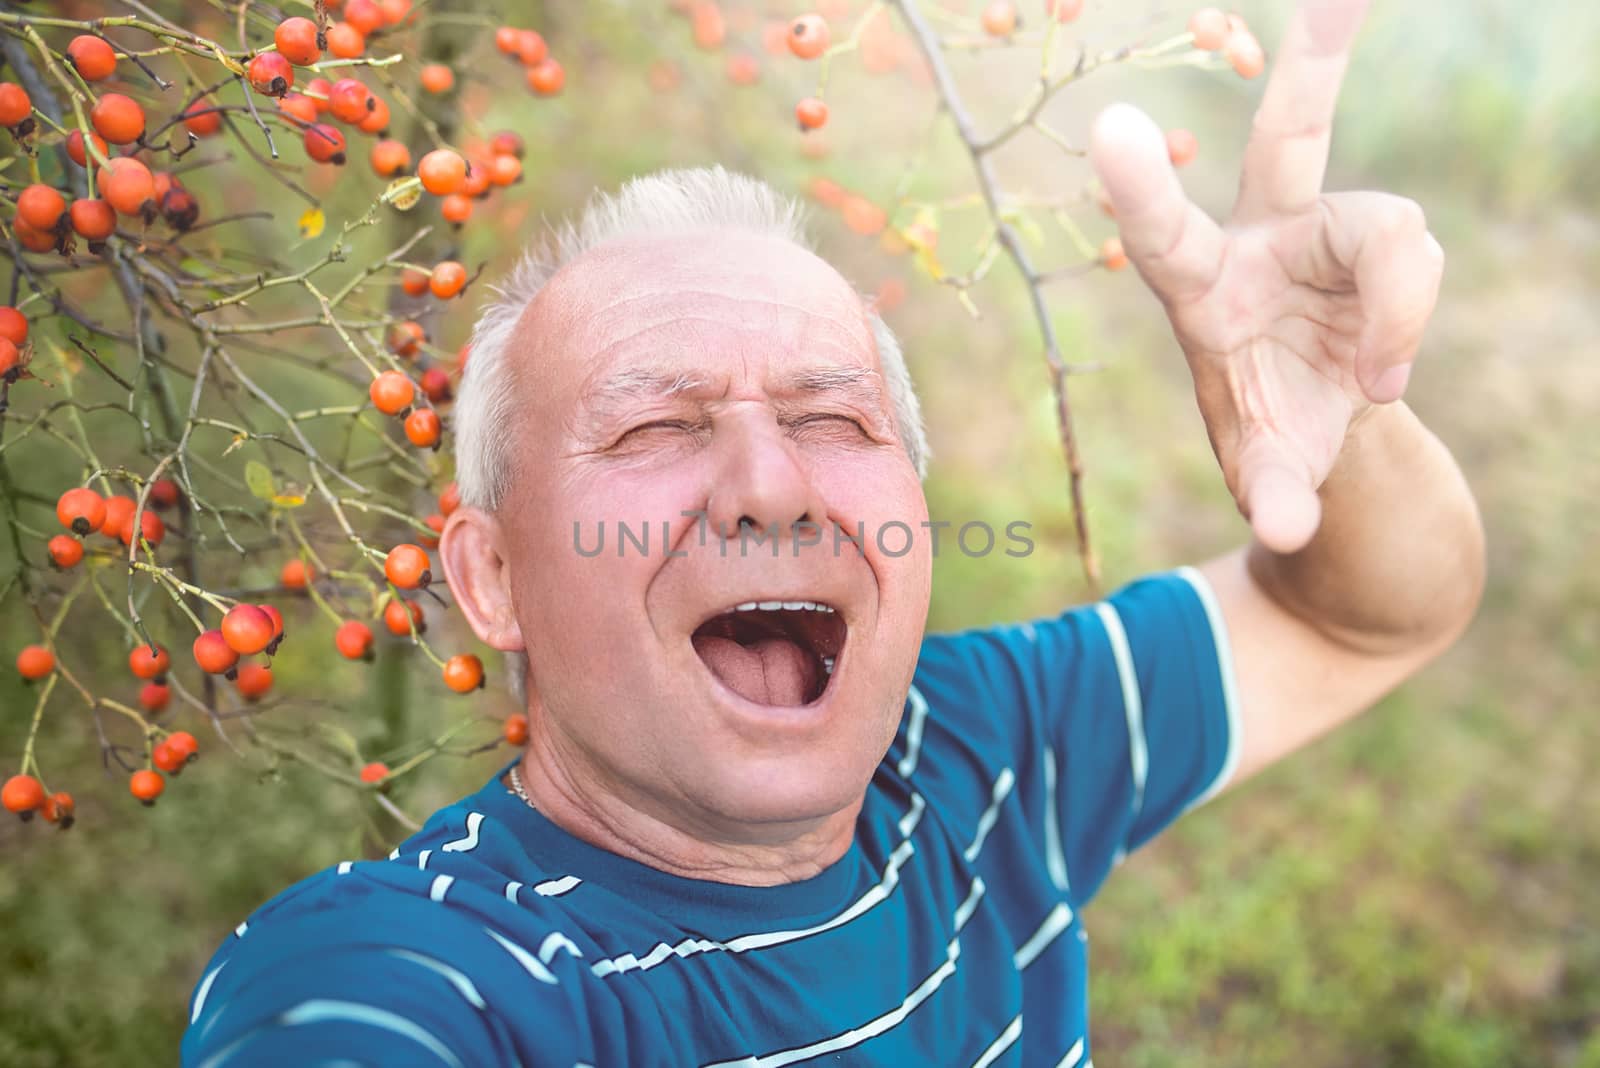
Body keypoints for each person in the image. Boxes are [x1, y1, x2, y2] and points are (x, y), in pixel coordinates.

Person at [180, 2, 1484, 1064]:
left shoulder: (981, 750)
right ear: (493, 576)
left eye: (834, 421)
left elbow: (1363, 611)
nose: (771, 488)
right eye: (654, 430)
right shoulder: (439, 979)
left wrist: (1347, 422)